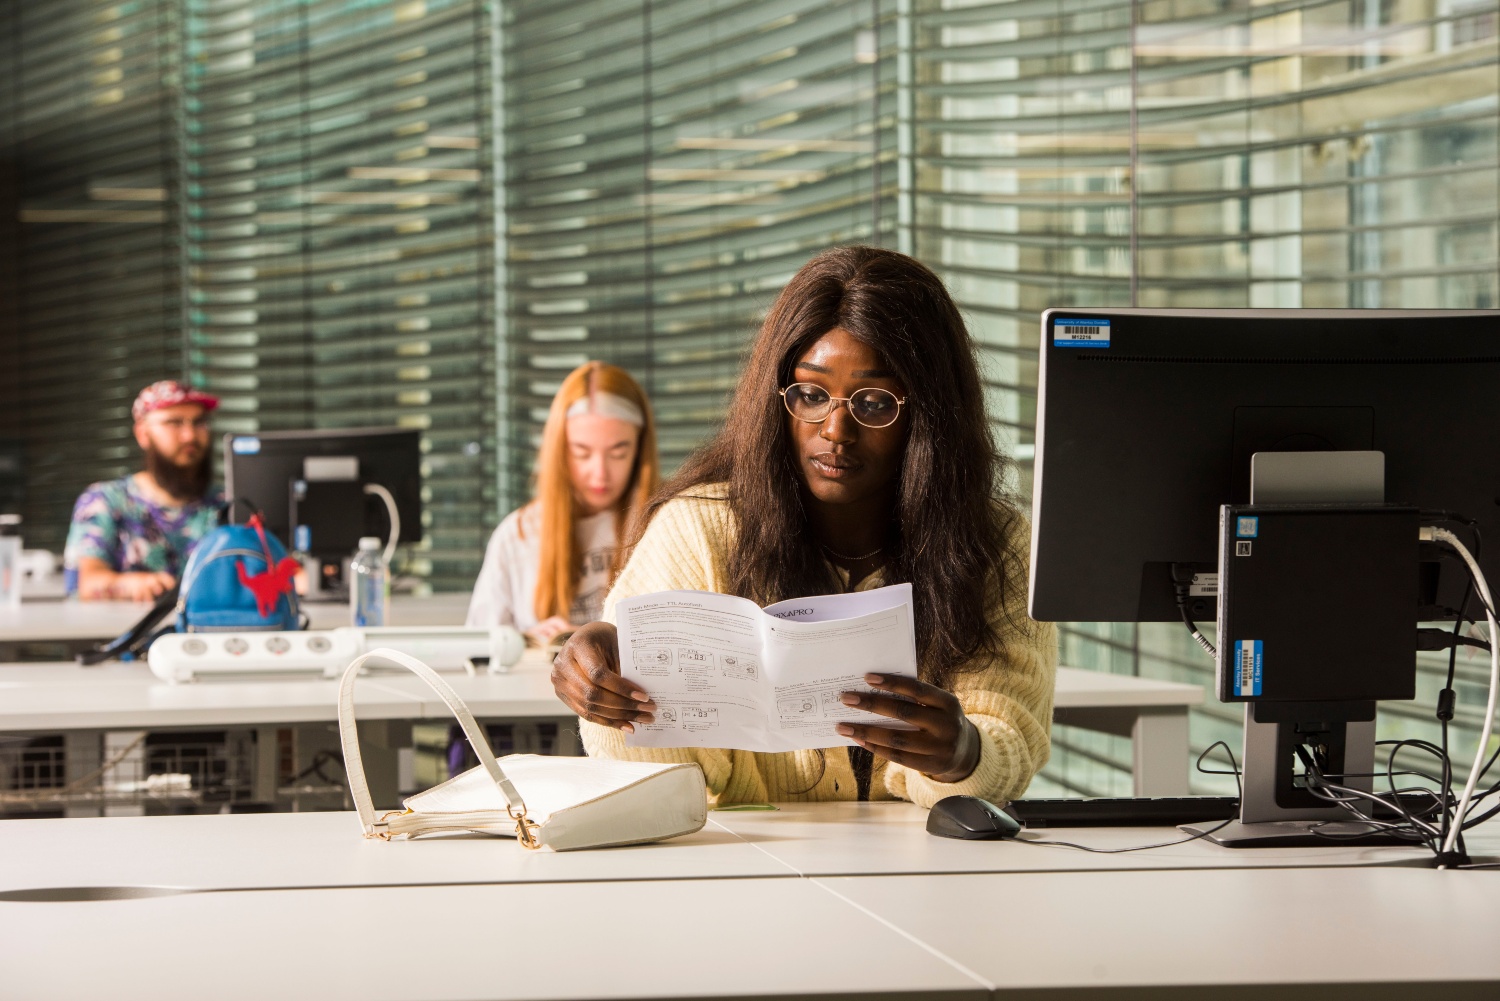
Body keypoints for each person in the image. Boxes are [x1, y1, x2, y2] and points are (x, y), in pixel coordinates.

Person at [550, 246, 1058, 808]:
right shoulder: (697, 529)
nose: (835, 429)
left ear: (929, 414)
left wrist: (964, 753)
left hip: (925, 878)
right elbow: (652, 781)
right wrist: (614, 690)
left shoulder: (997, 544)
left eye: (873, 402)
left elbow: (1008, 741)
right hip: (746, 869)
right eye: (811, 395)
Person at [466, 361, 661, 646]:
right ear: (559, 449)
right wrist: (525, 642)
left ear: (640, 448)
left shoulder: (665, 525)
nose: (600, 473)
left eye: (618, 453)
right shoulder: (518, 535)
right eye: (582, 453)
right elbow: (477, 647)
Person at [64, 380, 224, 602]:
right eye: (174, 423)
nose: (190, 436)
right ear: (143, 434)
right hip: (131, 634)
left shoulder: (226, 503)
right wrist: (129, 584)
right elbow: (87, 583)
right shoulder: (105, 501)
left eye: (199, 423)